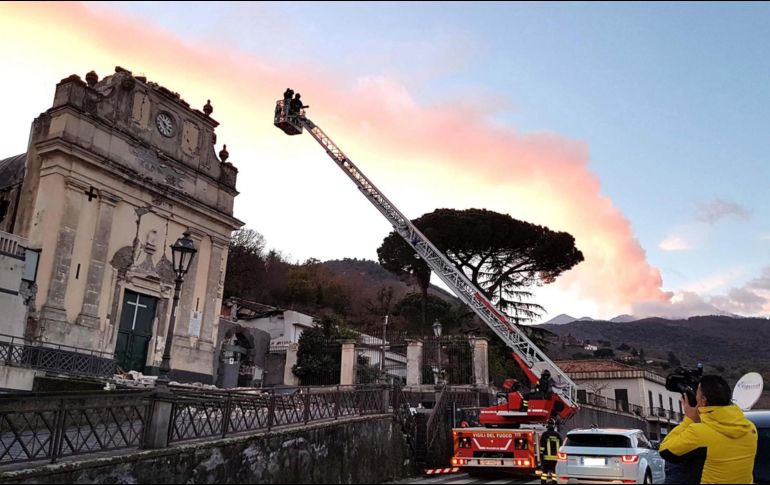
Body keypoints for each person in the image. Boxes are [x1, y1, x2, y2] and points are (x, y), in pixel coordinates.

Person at [660, 375, 758, 484]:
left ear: (703, 400)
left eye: (697, 393)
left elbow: (665, 451)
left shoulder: (699, 433)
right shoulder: (749, 428)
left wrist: (689, 419)